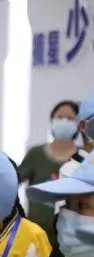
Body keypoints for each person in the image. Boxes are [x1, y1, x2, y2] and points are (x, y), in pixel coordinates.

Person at [18, 100, 81, 247]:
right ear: (52, 121)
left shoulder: (84, 157)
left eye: (70, 119)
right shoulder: (35, 154)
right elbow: (13, 183)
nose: (64, 121)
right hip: (36, 236)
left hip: (71, 239)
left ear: (79, 124)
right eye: (59, 117)